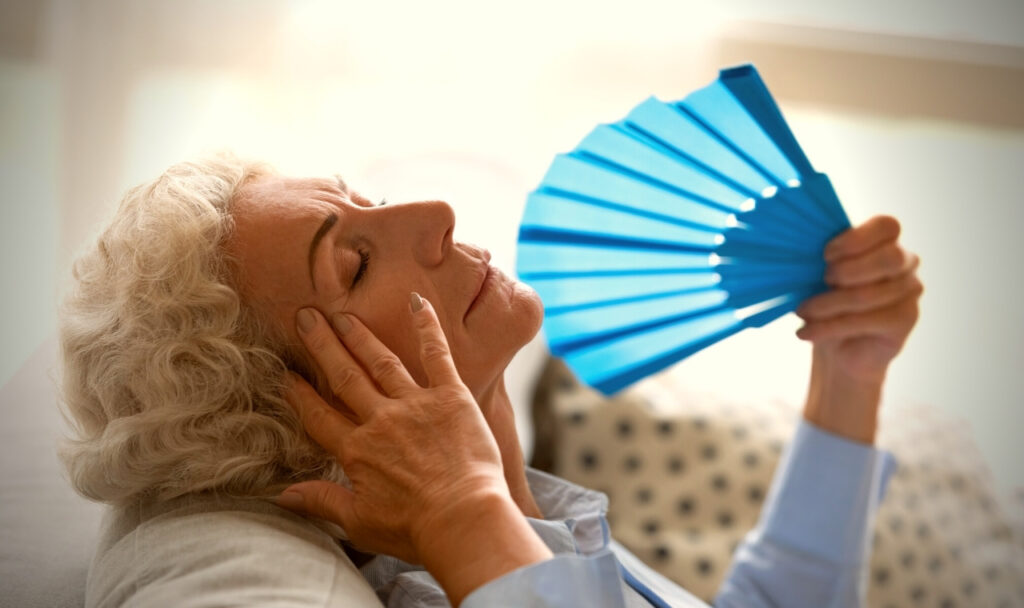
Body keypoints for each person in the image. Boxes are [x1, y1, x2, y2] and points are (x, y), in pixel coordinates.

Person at [60, 155, 922, 607]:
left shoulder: (533, 528)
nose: (435, 214)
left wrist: (849, 378)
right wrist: (463, 510)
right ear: (313, 421)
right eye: (354, 264)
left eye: (364, 195)